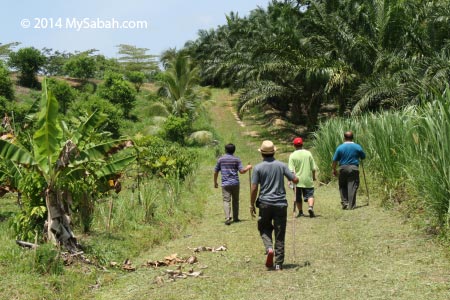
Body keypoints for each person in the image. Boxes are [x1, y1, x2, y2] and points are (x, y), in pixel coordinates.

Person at [250, 140, 298, 270]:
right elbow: (294, 180)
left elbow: (254, 187)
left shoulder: (258, 168)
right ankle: (278, 263)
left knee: (264, 227)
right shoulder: (281, 165)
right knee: (280, 232)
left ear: (262, 154)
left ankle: (269, 248)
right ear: (273, 152)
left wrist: (251, 204)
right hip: (281, 204)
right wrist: (295, 175)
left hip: (265, 203)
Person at [214, 143, 252, 225]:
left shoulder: (220, 159)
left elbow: (216, 171)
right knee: (235, 200)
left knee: (226, 200)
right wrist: (248, 167)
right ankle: (236, 217)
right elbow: (242, 171)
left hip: (225, 183)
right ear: (234, 150)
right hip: (235, 183)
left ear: (225, 150)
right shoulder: (236, 159)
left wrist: (215, 182)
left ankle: (227, 217)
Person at [331, 131, 366, 210]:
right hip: (353, 168)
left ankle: (344, 202)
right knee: (352, 186)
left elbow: (334, 161)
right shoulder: (357, 146)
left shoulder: (340, 147)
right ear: (352, 137)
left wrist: (334, 169)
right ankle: (351, 205)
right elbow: (363, 156)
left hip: (342, 168)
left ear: (344, 138)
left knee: (342, 185)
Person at [288, 137, 317, 218]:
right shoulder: (308, 153)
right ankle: (310, 207)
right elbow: (313, 168)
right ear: (302, 144)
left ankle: (300, 212)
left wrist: (290, 180)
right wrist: (314, 177)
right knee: (310, 195)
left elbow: (290, 170)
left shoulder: (292, 155)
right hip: (307, 179)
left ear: (294, 145)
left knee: (298, 197)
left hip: (297, 180)